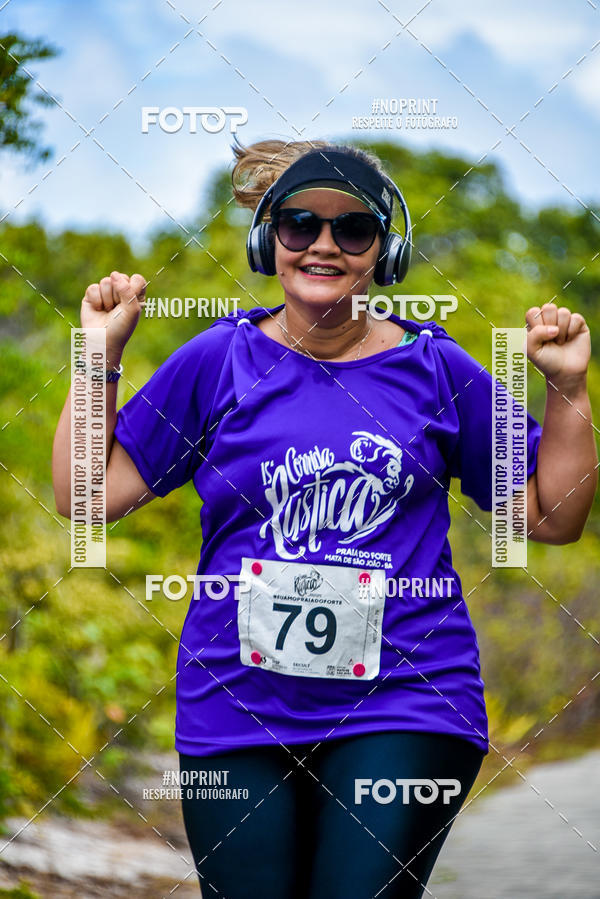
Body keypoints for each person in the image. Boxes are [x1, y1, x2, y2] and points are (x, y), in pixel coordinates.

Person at [52, 139, 597, 899]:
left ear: (386, 250)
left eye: (353, 229)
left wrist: (567, 386)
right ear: (267, 238)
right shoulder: (218, 360)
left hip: (408, 698)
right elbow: (86, 496)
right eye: (299, 223)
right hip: (235, 705)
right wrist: (96, 354)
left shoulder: (435, 369)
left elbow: (551, 518)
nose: (323, 245)